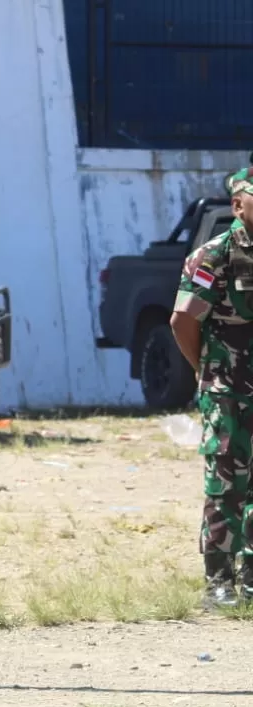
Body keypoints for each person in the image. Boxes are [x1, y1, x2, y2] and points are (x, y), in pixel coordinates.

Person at [170, 166, 253, 607]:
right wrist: (207, 371)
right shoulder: (214, 256)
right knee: (226, 482)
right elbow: (183, 320)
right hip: (228, 391)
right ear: (238, 205)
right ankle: (219, 581)